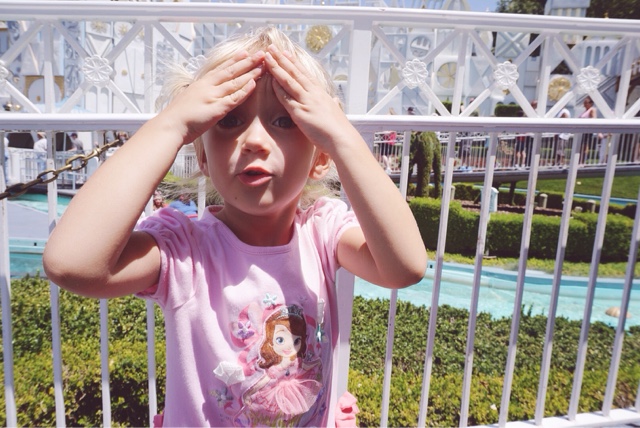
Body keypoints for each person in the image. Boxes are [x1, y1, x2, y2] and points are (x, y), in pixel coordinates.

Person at [43, 27, 427, 427]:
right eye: (229, 120)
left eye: (285, 120)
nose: (254, 140)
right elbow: (72, 263)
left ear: (320, 156)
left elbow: (404, 267)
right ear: (203, 156)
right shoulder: (184, 251)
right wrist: (171, 125)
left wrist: (343, 137)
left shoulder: (323, 233)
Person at [578, 96, 598, 165]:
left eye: (586, 102)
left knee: (585, 146)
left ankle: (583, 161)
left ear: (590, 103)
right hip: (581, 131)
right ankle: (580, 160)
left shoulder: (592, 110)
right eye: (584, 102)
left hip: (587, 131)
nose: (584, 104)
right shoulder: (585, 111)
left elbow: (594, 119)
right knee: (581, 146)